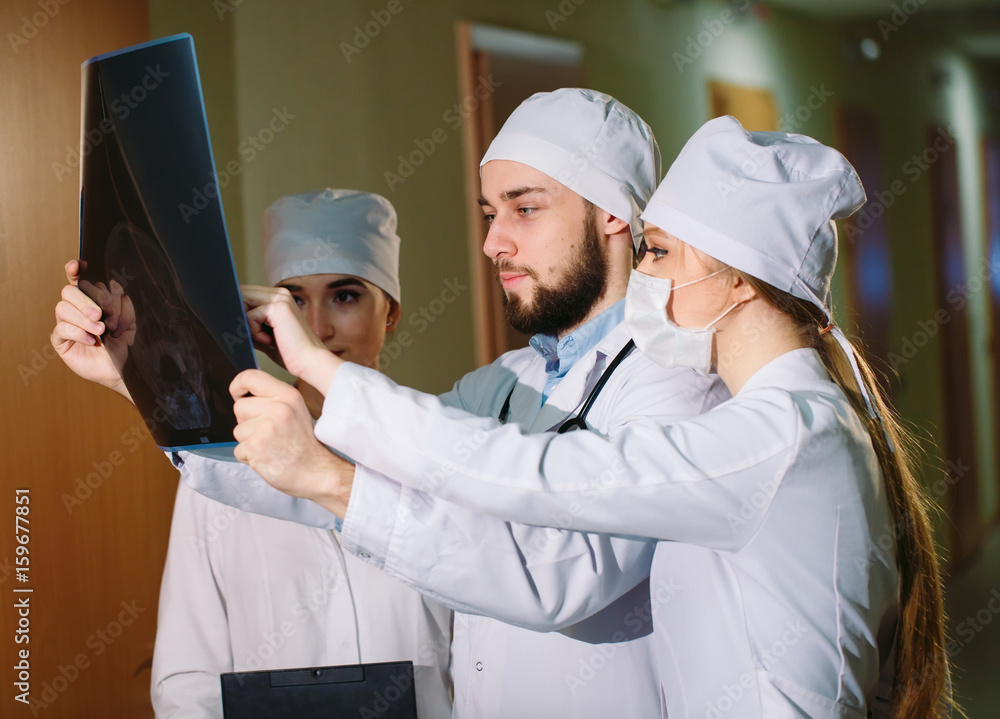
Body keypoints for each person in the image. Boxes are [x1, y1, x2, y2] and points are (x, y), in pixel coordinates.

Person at [232, 117, 954, 718]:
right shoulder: (782, 423)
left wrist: (320, 368)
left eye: (662, 253)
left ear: (737, 279)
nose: (644, 272)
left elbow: (549, 483)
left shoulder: (777, 436)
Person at [51, 89, 729, 718]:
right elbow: (328, 481)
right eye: (491, 214)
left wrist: (321, 443)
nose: (493, 243)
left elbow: (555, 576)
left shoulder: (678, 388)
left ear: (612, 211)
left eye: (524, 208)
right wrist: (139, 373)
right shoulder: (497, 386)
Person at [57, 190, 454, 718]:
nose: (317, 329)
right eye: (292, 300)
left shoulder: (444, 449)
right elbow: (186, 678)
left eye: (346, 296)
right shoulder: (219, 469)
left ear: (392, 313)